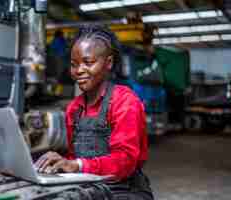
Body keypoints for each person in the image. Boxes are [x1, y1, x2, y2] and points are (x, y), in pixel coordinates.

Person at [35, 25, 154, 200]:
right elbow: (74, 157)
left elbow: (125, 161)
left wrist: (77, 165)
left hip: (124, 190)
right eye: (74, 64)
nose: (79, 70)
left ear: (109, 63)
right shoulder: (74, 108)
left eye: (88, 63)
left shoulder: (125, 102)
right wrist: (60, 163)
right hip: (89, 187)